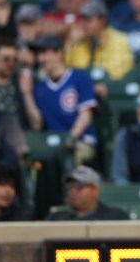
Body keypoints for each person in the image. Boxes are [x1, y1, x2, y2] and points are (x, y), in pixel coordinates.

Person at [20, 35, 98, 166]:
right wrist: (27, 94)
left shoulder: (79, 79)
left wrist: (68, 139)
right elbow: (37, 124)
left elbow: (86, 116)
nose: (40, 59)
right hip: (51, 142)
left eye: (45, 53)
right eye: (39, 54)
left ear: (59, 53)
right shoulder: (39, 86)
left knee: (72, 157)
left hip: (80, 141)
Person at [64, 0, 133, 81]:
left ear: (102, 20)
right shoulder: (78, 40)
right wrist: (71, 45)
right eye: (83, 19)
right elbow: (67, 69)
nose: (84, 23)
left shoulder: (119, 39)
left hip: (109, 87)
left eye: (89, 19)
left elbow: (118, 72)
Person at [46, 165, 130, 221]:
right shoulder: (56, 218)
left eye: (79, 186)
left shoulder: (115, 217)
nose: (73, 191)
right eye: (70, 186)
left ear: (96, 190)